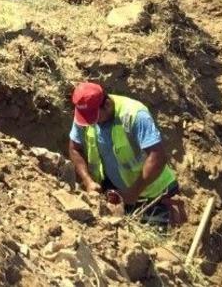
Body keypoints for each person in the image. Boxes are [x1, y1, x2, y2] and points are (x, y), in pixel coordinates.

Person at [67, 81, 184, 228]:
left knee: (160, 237)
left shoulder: (135, 115)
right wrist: (88, 181)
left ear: (107, 105)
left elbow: (157, 156)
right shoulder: (85, 115)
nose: (90, 123)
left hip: (154, 193)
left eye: (94, 118)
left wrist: (133, 192)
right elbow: (74, 148)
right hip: (119, 191)